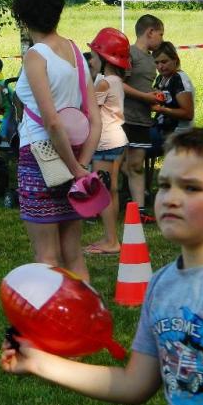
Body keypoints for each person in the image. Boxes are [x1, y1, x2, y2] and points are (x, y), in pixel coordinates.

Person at [1, 128, 203, 405]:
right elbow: (134, 384)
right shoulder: (161, 286)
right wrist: (37, 362)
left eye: (191, 188)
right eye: (165, 185)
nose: (171, 198)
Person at [11, 0, 101, 282]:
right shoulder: (75, 51)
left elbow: (51, 122)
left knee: (46, 256)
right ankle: (87, 308)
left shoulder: (36, 56)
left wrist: (73, 168)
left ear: (24, 19)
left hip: (41, 158)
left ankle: (53, 312)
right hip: (75, 154)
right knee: (73, 253)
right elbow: (94, 118)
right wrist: (81, 165)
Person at [84, 28, 131, 256]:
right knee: (111, 190)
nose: (91, 61)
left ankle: (111, 241)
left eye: (93, 56)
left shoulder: (103, 83)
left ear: (105, 58)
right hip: (117, 139)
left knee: (102, 191)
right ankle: (110, 237)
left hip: (104, 144)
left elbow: (89, 111)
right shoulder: (115, 81)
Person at [122, 14, 164, 223]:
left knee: (136, 165)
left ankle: (139, 210)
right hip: (124, 118)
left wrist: (153, 94)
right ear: (150, 32)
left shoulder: (150, 58)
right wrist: (145, 97)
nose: (162, 39)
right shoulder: (130, 53)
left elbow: (142, 86)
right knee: (118, 164)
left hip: (142, 119)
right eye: (160, 34)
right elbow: (119, 84)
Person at [152, 42, 195, 137]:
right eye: (156, 63)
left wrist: (160, 109)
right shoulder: (161, 77)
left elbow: (188, 114)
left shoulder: (179, 79)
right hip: (161, 129)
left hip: (177, 135)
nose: (160, 67)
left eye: (164, 62)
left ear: (175, 59)